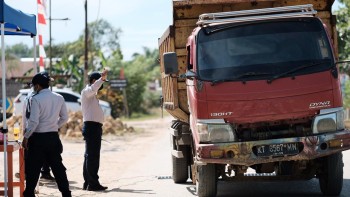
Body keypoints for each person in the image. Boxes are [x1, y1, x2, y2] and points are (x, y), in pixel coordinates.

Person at [22, 72, 71, 197]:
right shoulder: (59, 97)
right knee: (58, 168)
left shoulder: (35, 99)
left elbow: (33, 121)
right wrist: (54, 126)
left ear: (37, 86)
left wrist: (26, 136)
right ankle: (66, 193)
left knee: (34, 168)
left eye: (34, 86)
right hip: (53, 137)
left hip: (38, 138)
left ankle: (29, 193)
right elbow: (64, 118)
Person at [81, 70, 108, 191]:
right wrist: (101, 79)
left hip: (94, 128)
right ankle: (92, 183)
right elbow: (92, 89)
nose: (102, 85)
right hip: (91, 127)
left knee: (89, 156)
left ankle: (88, 182)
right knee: (92, 157)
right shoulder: (87, 91)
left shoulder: (92, 94)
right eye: (101, 82)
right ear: (94, 81)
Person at [21, 89, 55, 181]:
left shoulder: (30, 96)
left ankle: (31, 173)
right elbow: (28, 116)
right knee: (41, 153)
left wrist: (24, 129)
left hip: (32, 128)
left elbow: (24, 115)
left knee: (32, 154)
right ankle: (38, 173)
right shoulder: (38, 97)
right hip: (38, 129)